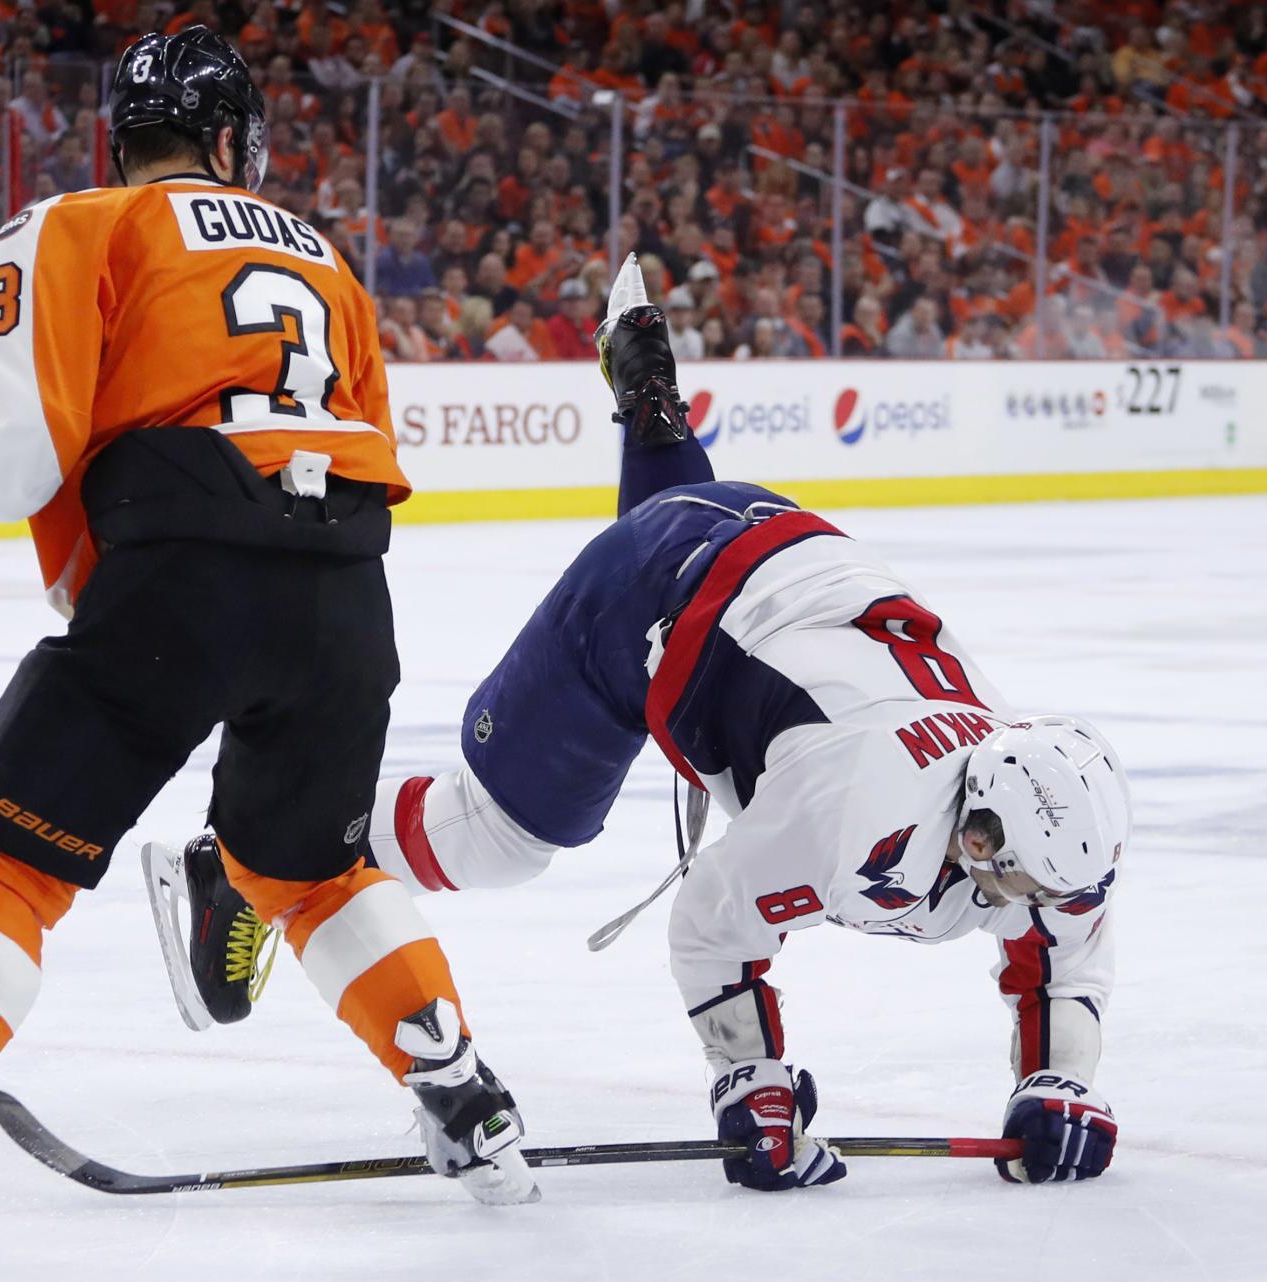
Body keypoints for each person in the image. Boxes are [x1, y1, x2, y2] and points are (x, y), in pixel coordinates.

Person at [0, 27, 535, 1260]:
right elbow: (367, 449)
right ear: (232, 138)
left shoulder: (75, 225)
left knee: (9, 862)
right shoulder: (330, 263)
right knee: (312, 873)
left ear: (121, 142)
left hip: (181, 581)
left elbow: (13, 460)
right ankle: (466, 1095)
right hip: (346, 595)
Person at [172, 257, 1130, 1195]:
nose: (1019, 900)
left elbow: (1067, 944)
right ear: (975, 819)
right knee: (503, 839)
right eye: (1006, 873)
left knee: (683, 532)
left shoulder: (1043, 809)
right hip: (649, 595)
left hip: (776, 540)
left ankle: (649, 396)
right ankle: (251, 851)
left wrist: (1062, 1082)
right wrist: (750, 1082)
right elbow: (712, 926)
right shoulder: (858, 805)